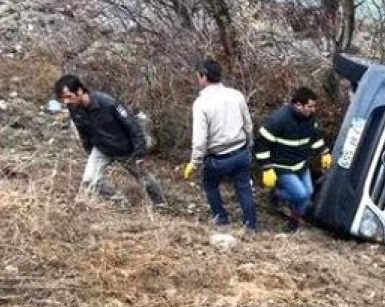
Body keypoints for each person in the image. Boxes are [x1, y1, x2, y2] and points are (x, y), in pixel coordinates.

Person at [55, 74, 166, 207]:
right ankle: (119, 201)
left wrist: (139, 152)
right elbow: (82, 130)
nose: (66, 102)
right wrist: (89, 150)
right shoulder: (73, 109)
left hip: (125, 148)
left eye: (69, 97)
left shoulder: (108, 103)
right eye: (63, 99)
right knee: (90, 181)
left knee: (144, 178)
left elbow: (132, 126)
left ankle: (160, 204)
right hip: (101, 148)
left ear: (79, 91)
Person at [182, 59, 257, 232]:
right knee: (244, 188)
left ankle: (221, 218)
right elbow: (248, 124)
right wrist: (249, 144)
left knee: (210, 185)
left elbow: (200, 139)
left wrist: (195, 162)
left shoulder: (201, 103)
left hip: (218, 157)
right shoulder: (236, 95)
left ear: (203, 76)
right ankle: (250, 226)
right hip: (240, 152)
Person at [255, 87, 332, 232]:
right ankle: (276, 194)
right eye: (310, 106)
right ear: (298, 105)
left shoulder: (310, 119)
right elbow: (261, 144)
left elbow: (315, 138)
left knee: (308, 194)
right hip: (282, 166)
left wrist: (324, 152)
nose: (313, 110)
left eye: (314, 106)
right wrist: (266, 168)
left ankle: (293, 222)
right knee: (301, 195)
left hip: (300, 164)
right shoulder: (278, 120)